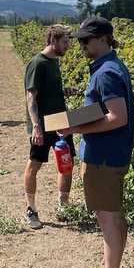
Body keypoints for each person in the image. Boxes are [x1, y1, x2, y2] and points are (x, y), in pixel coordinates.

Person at [63, 17, 134, 268]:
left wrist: (75, 127)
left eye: (87, 40)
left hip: (104, 157)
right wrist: (76, 118)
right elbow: (105, 109)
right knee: (114, 217)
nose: (82, 45)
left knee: (108, 221)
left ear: (105, 38)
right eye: (80, 40)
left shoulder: (106, 72)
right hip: (111, 154)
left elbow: (117, 117)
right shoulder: (110, 67)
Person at [22, 24, 75, 230]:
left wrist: (63, 91)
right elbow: (31, 97)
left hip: (60, 121)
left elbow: (48, 91)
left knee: (66, 163)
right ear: (53, 40)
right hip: (43, 124)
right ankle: (31, 209)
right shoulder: (38, 63)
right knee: (34, 165)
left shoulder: (54, 62)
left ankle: (64, 206)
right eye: (65, 42)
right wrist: (36, 126)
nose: (68, 46)